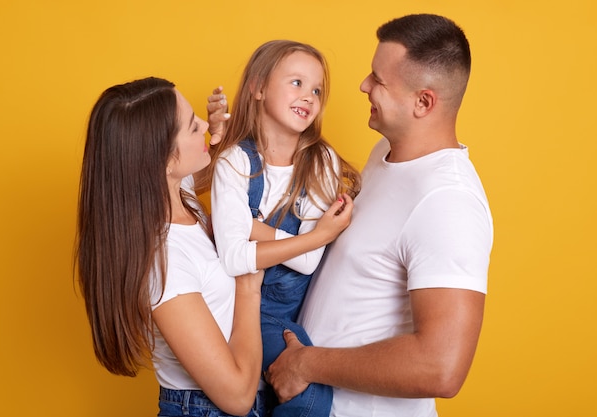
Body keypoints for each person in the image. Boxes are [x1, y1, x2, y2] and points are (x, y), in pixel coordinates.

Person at [265, 14, 494, 417]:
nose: (363, 85)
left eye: (378, 80)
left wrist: (306, 363)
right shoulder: (385, 155)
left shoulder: (447, 201)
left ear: (423, 102)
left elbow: (441, 367)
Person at [76, 77, 267, 417]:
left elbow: (207, 175)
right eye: (194, 127)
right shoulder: (165, 262)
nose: (206, 125)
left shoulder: (177, 195)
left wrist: (216, 137)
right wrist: (249, 289)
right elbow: (237, 397)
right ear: (162, 161)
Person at [205, 40, 360, 417]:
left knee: (309, 393)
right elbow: (233, 260)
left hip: (287, 314)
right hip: (239, 310)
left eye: (317, 90)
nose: (308, 96)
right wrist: (318, 235)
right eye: (296, 82)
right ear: (258, 88)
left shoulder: (319, 160)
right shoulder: (234, 162)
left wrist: (252, 227)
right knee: (296, 398)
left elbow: (307, 262)